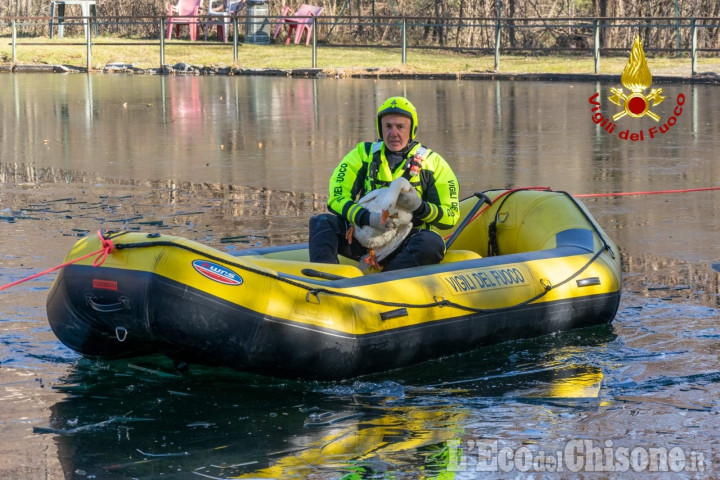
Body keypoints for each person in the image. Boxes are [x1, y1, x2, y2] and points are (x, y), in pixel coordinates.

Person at [308, 96, 460, 272]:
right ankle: (324, 281)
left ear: (412, 129)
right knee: (321, 221)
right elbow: (336, 198)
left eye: (400, 127)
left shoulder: (434, 163)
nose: (393, 133)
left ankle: (384, 280)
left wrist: (419, 207)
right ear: (381, 129)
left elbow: (451, 216)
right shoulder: (362, 154)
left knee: (432, 244)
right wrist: (366, 218)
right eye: (388, 126)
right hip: (365, 237)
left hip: (406, 243)